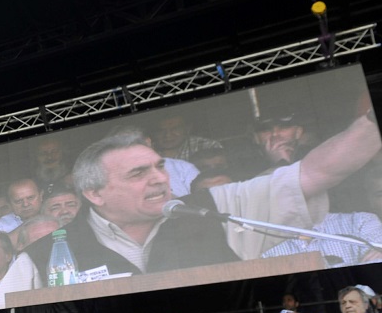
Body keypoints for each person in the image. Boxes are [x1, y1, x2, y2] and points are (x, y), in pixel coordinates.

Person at [28, 117, 380, 278]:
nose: (159, 179)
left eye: (159, 167)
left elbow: (317, 172)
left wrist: (369, 118)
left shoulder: (211, 209)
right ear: (94, 192)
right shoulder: (48, 251)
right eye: (139, 173)